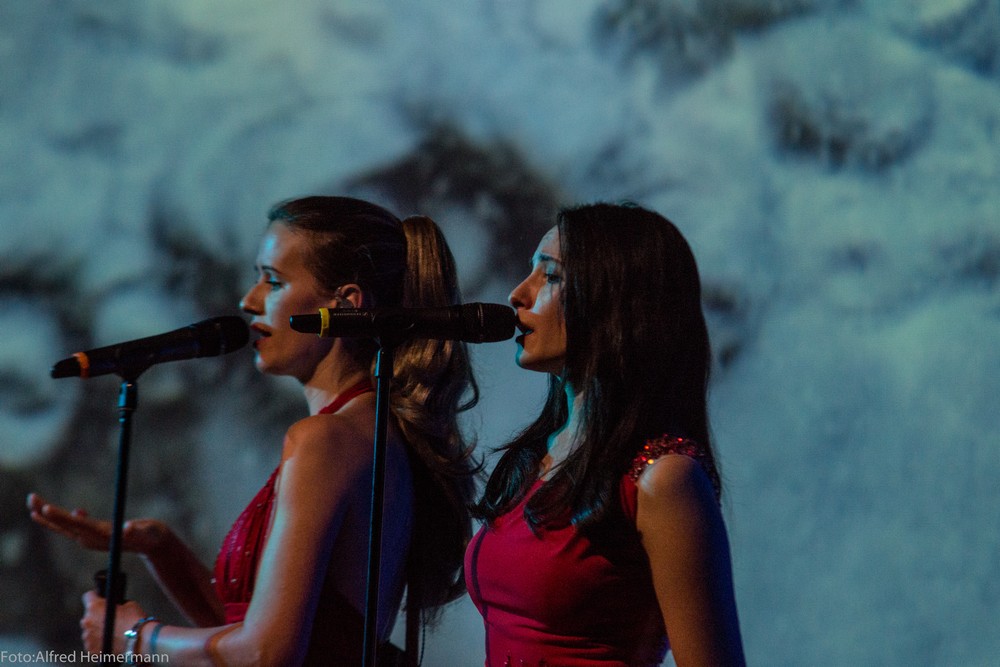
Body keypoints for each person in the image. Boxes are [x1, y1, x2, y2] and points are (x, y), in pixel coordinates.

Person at [28, 195, 479, 665]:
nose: (249, 300)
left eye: (273, 280)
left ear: (344, 304)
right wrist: (162, 549)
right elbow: (264, 630)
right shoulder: (368, 429)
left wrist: (135, 638)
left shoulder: (326, 441)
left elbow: (266, 653)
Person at [466, 202, 746, 666]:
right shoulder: (539, 456)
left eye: (549, 276)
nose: (517, 294)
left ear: (613, 302)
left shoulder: (664, 478)